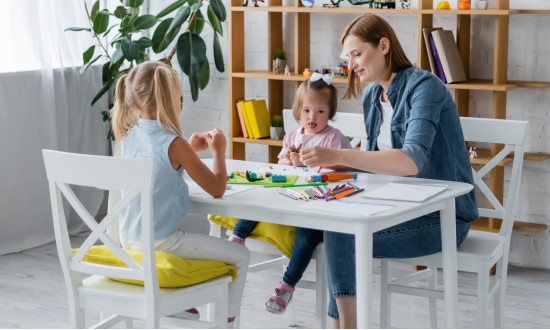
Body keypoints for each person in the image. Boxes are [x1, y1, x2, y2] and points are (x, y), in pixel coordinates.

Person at [299, 14, 478, 328]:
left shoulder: (426, 87)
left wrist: (339, 153)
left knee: (340, 233)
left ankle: (345, 326)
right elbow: (375, 162)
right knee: (333, 222)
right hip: (398, 208)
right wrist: (327, 160)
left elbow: (410, 160)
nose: (351, 64)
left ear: (383, 46)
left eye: (357, 54)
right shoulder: (372, 95)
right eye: (348, 56)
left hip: (442, 218)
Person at [110, 61, 250, 327]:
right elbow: (217, 189)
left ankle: (183, 302)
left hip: (131, 240)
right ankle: (227, 321)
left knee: (199, 223)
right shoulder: (174, 143)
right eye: (179, 98)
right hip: (160, 243)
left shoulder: (129, 136)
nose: (180, 103)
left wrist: (189, 151)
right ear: (168, 101)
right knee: (241, 256)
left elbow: (160, 161)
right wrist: (219, 151)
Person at [228, 73, 353, 315]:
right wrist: (290, 159)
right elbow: (281, 164)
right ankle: (238, 236)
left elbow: (346, 166)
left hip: (316, 205)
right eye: (306, 110)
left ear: (330, 112)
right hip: (287, 200)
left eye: (320, 111)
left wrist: (313, 164)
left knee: (307, 237)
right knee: (260, 195)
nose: (312, 117)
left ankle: (286, 286)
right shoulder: (293, 136)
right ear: (298, 111)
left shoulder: (334, 138)